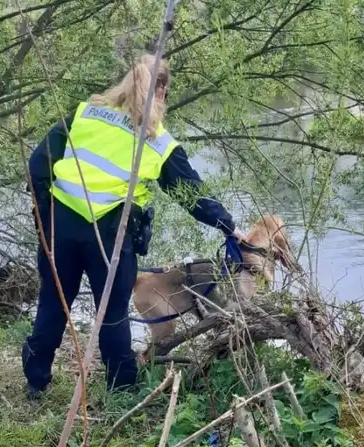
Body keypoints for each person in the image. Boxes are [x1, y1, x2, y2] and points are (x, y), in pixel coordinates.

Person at [22, 53, 242, 398]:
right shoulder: (157, 139)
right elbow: (190, 194)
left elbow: (38, 166)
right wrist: (229, 226)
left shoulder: (85, 114)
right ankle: (121, 390)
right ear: (163, 93)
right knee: (110, 313)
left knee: (53, 303)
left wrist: (43, 220)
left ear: (126, 82)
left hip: (60, 227)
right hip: (111, 234)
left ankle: (36, 382)